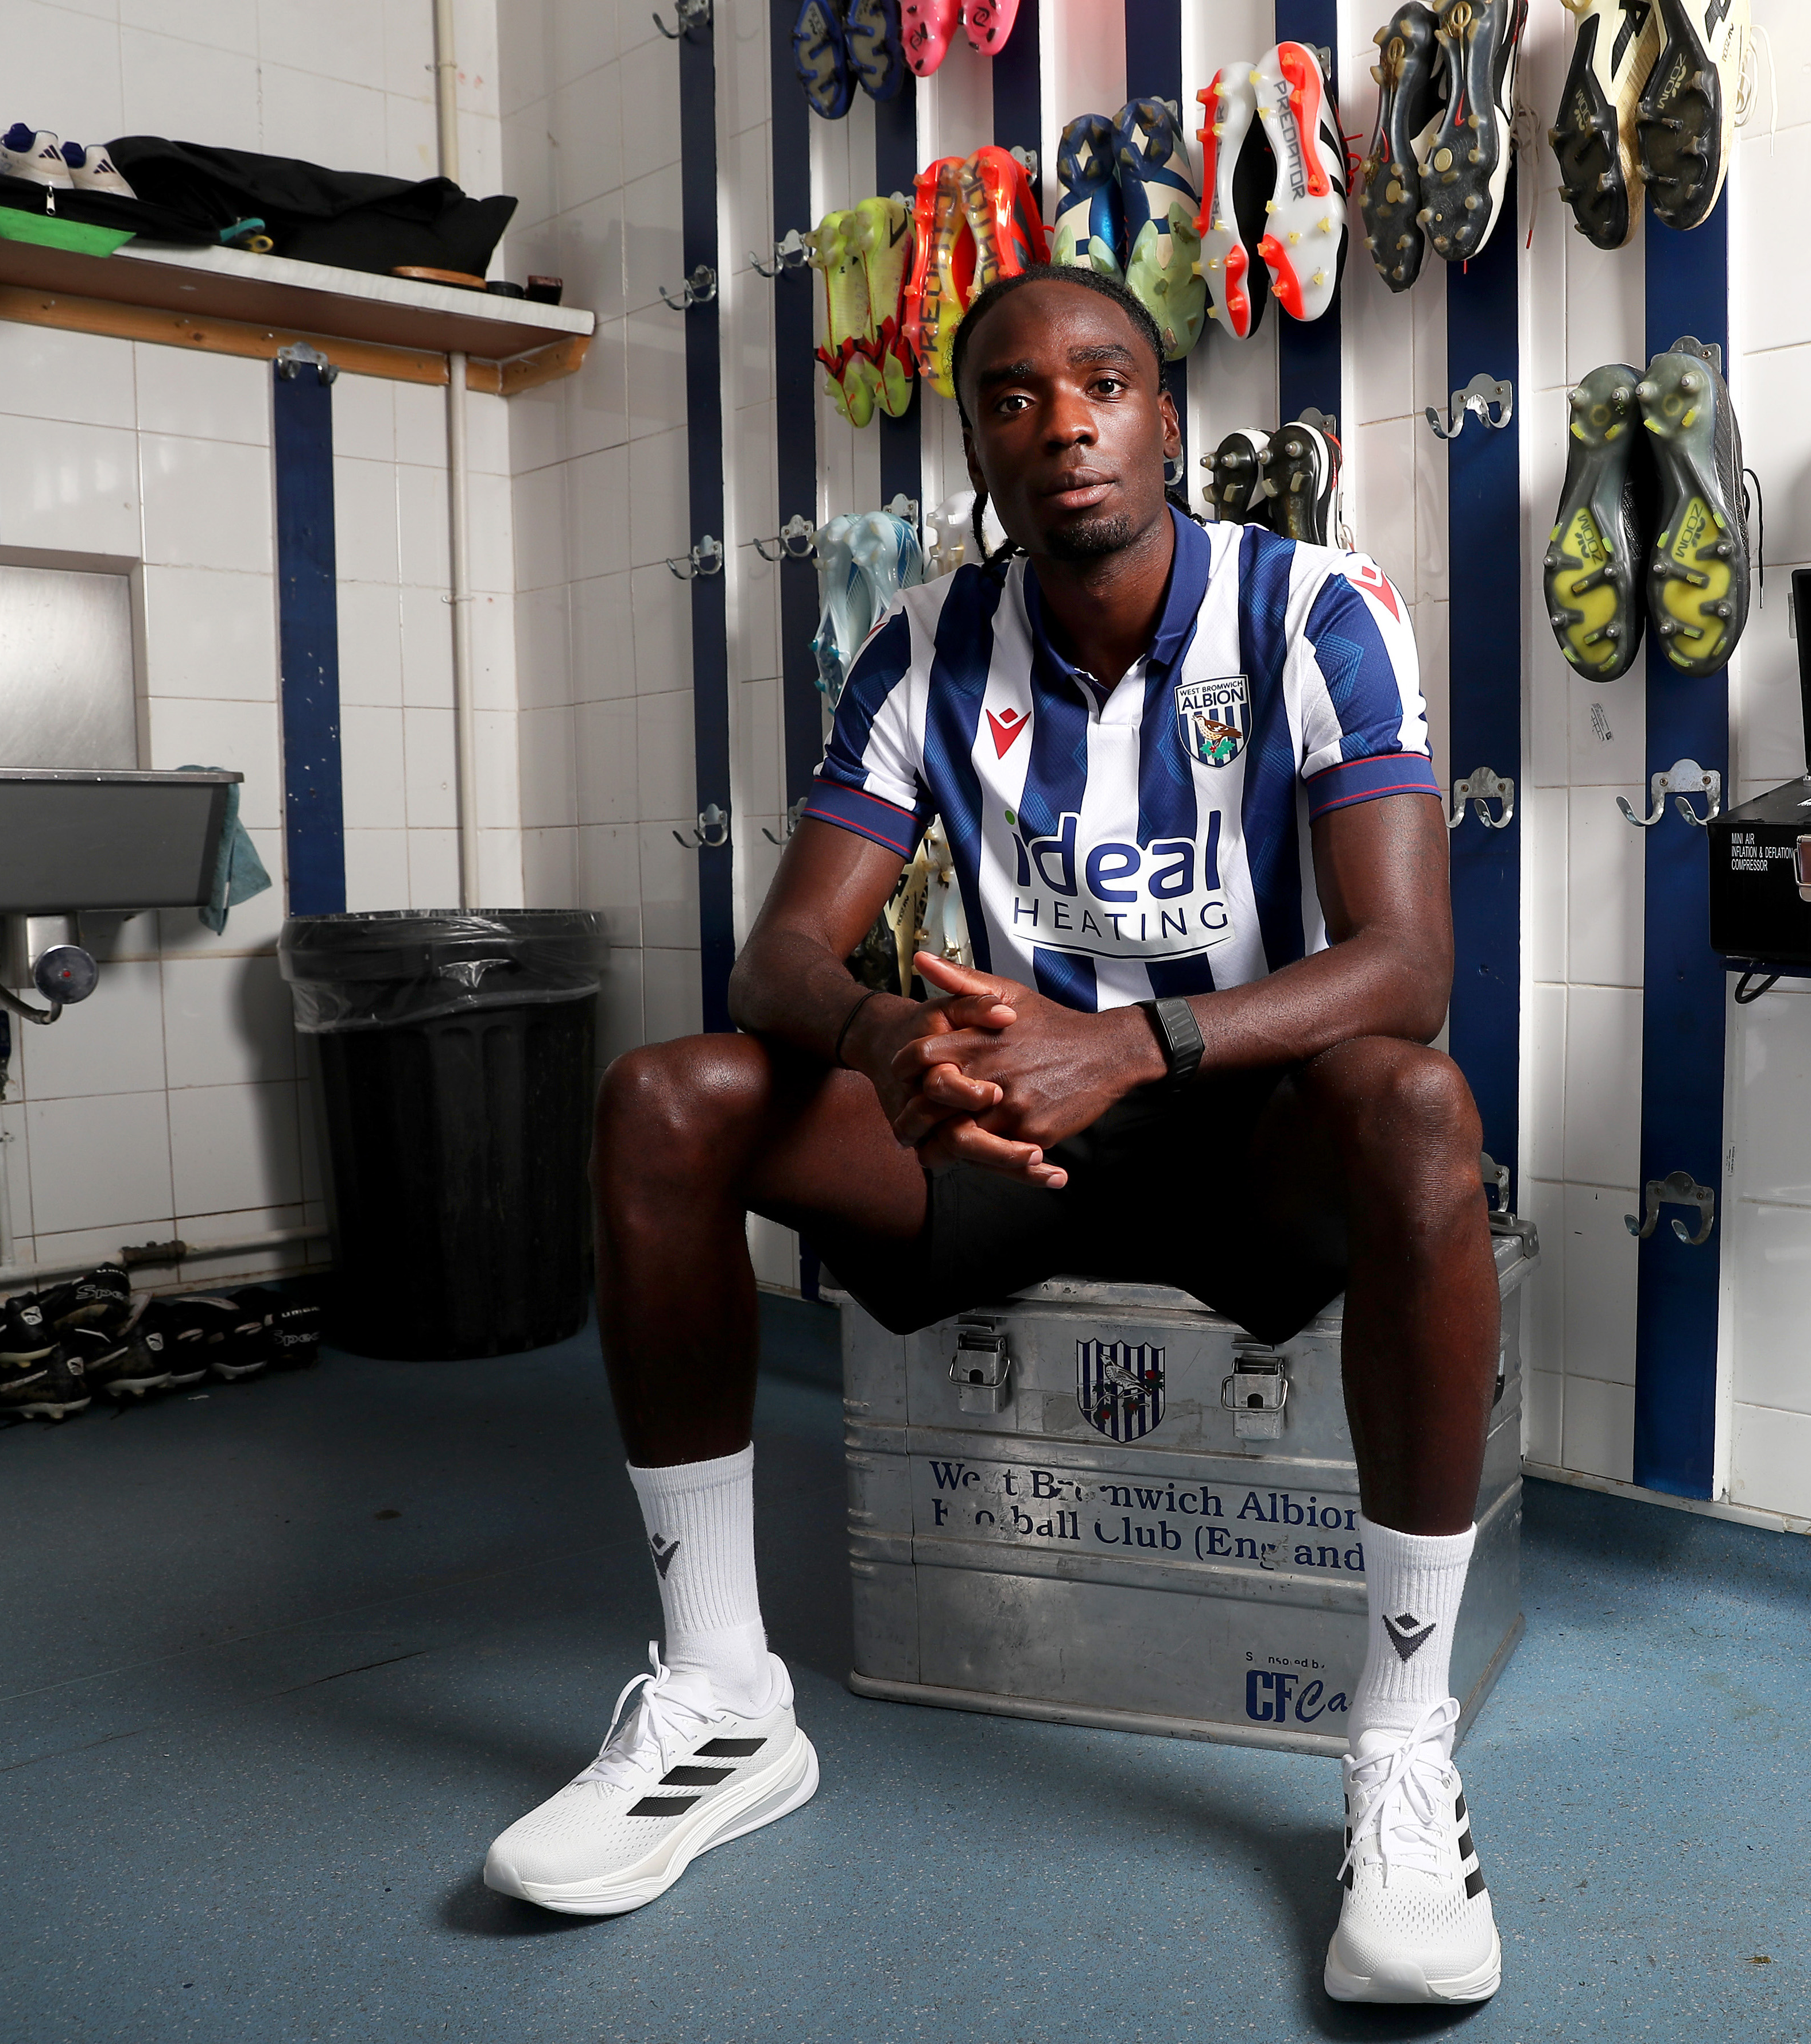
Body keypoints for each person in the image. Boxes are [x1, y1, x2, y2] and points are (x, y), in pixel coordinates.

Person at [480, 264, 1505, 2006]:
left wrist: (1135, 1042)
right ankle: (725, 1696)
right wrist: (887, 1035)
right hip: (1009, 1130)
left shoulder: (1319, 609)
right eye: (1015, 397)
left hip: (1238, 1132)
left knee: (1416, 1107)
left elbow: (1405, 968)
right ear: (979, 446)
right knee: (667, 1096)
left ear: (1168, 415)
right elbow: (778, 957)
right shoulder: (928, 646)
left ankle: (1402, 1750)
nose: (1064, 421)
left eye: (1102, 380)